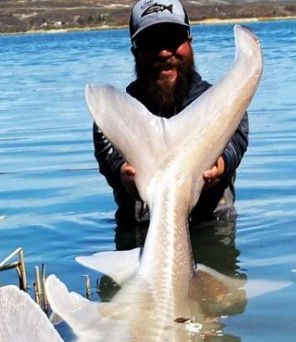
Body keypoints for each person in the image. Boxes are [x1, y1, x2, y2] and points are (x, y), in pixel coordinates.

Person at [93, 0, 250, 227]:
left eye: (173, 39)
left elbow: (236, 141)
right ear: (135, 52)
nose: (165, 52)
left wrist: (220, 164)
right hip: (138, 234)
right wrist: (122, 175)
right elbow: (109, 159)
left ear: (189, 43)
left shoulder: (221, 105)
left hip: (210, 229)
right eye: (151, 43)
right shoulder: (113, 114)